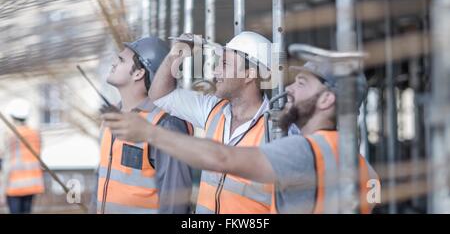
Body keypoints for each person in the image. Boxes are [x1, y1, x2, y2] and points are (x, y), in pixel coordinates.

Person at [102, 57, 379, 214]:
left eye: (302, 83)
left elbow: (222, 157)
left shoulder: (303, 150)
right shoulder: (353, 160)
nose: (290, 89)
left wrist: (149, 132)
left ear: (327, 99)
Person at [146, 31, 296, 214]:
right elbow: (159, 95)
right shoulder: (212, 110)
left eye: (224, 64)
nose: (216, 71)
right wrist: (177, 52)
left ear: (249, 74)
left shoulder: (278, 130)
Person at [92, 36, 193, 214]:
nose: (114, 62)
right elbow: (100, 178)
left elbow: (175, 203)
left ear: (139, 73)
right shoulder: (112, 116)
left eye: (121, 59)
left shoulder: (165, 125)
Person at [1, 98, 44, 214]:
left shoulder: (10, 135)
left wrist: (2, 189)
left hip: (14, 184)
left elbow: (6, 162)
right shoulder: (35, 134)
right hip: (32, 183)